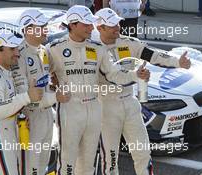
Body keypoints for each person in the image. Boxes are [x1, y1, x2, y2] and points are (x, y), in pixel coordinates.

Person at [46, 5, 150, 175]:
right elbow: (41, 77)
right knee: (67, 163)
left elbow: (114, 74)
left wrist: (134, 75)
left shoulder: (97, 48)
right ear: (72, 25)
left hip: (94, 109)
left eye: (91, 24)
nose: (90, 27)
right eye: (86, 24)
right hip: (70, 109)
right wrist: (50, 94)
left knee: (88, 165)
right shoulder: (54, 48)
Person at [95, 8, 191, 175]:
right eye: (111, 25)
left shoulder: (129, 42)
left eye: (118, 22)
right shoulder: (94, 50)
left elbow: (153, 55)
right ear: (99, 28)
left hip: (130, 104)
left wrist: (178, 62)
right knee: (109, 158)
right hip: (106, 107)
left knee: (142, 152)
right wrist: (136, 75)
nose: (117, 27)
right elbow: (112, 75)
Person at [12, 9, 70, 175]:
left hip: (46, 115)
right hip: (31, 118)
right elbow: (25, 96)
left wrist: (54, 85)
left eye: (45, 26)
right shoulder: (18, 54)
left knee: (44, 163)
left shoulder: (43, 50)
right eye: (41, 26)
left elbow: (51, 76)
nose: (46, 30)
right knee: (31, 167)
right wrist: (56, 96)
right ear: (28, 29)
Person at [0, 28, 43, 175]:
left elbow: (9, 104)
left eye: (17, 49)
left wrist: (21, 115)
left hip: (8, 137)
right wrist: (27, 97)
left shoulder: (6, 72)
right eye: (12, 49)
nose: (17, 53)